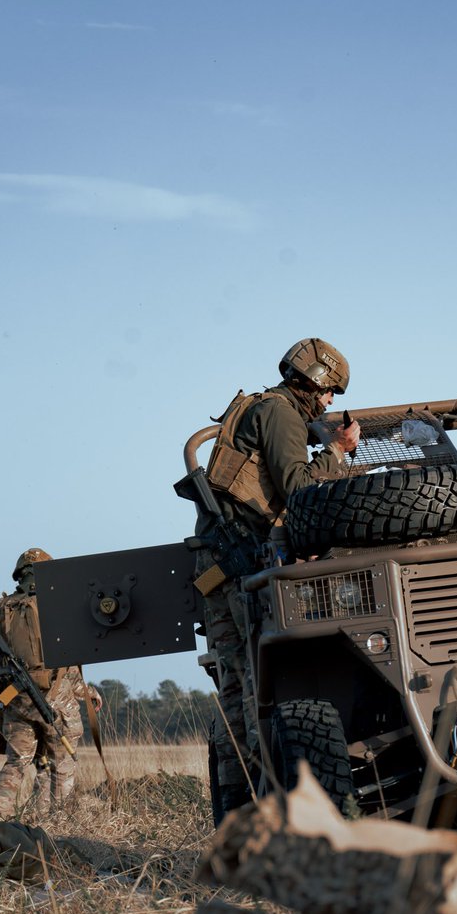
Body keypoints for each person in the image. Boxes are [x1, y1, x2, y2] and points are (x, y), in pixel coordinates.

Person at [194, 338, 359, 817]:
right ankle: (266, 815)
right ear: (316, 380)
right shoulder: (282, 413)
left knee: (231, 685)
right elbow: (299, 490)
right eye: (331, 393)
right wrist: (337, 452)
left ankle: (236, 811)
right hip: (240, 559)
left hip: (214, 563)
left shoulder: (257, 406)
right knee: (254, 686)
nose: (330, 403)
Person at [0, 548, 101, 821]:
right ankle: (60, 825)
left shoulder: (1, 607)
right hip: (56, 699)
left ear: (19, 573)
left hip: (16, 698)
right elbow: (71, 662)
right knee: (63, 764)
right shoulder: (57, 604)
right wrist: (87, 692)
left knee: (16, 763)